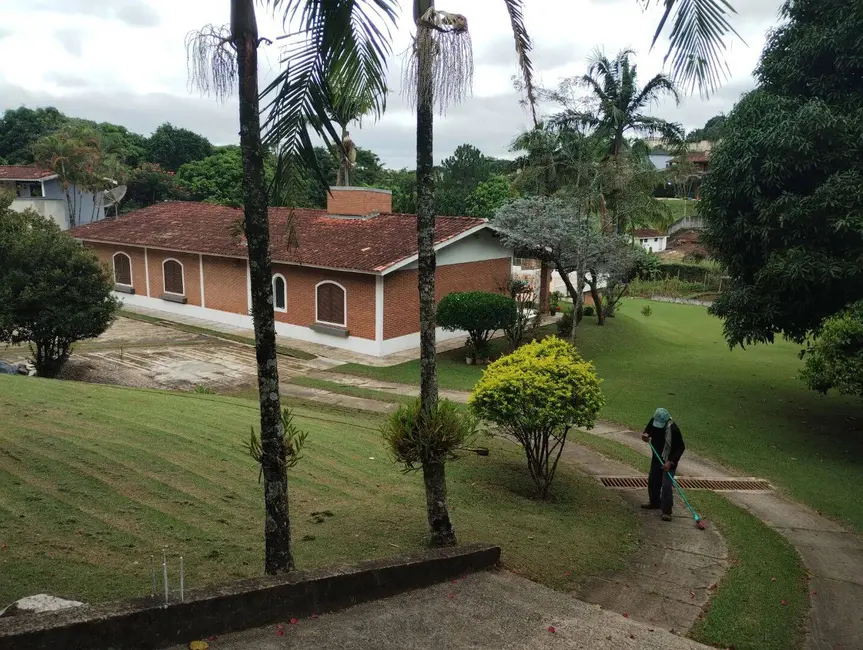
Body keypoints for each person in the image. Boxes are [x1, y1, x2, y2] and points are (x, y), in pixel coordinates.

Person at [641, 407, 685, 521]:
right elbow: (647, 432)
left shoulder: (673, 429)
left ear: (666, 421)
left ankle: (667, 511)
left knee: (666, 485)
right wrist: (645, 436)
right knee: (653, 479)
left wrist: (670, 462)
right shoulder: (653, 421)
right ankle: (654, 502)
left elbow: (681, 447)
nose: (657, 425)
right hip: (657, 457)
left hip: (669, 460)